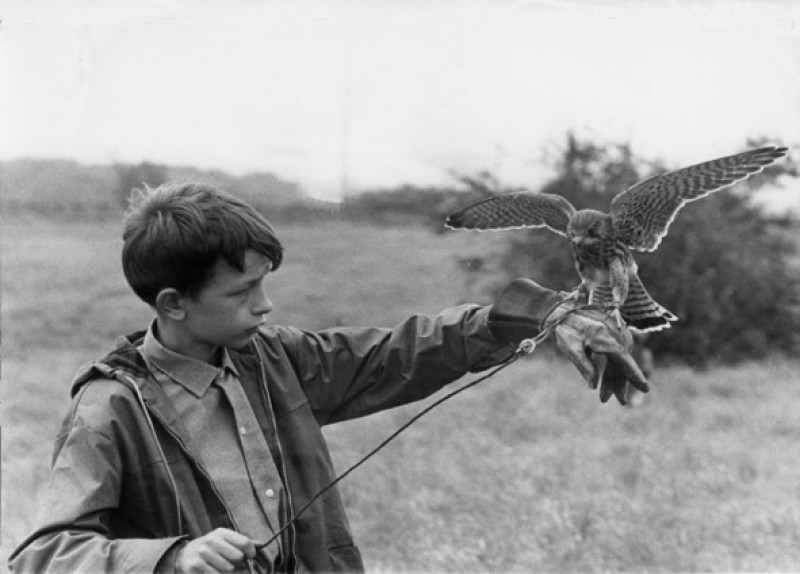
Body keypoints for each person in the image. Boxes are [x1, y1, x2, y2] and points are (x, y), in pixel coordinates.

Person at [9, 182, 646, 573]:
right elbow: (42, 555)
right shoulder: (112, 408)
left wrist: (548, 312)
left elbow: (404, 352)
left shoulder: (275, 359)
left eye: (265, 284)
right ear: (173, 303)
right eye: (243, 291)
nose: (264, 306)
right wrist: (172, 557)